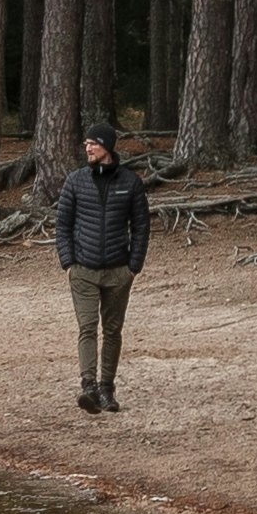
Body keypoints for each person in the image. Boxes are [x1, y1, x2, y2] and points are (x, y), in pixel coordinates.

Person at [52, 127, 156, 412]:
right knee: (87, 328)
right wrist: (68, 263)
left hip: (118, 271)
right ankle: (89, 388)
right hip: (82, 270)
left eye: (93, 144)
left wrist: (133, 267)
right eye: (86, 143)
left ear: (107, 147)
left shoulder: (130, 183)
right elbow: (62, 226)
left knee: (112, 330)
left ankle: (107, 389)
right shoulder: (75, 182)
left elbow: (141, 227)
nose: (88, 149)